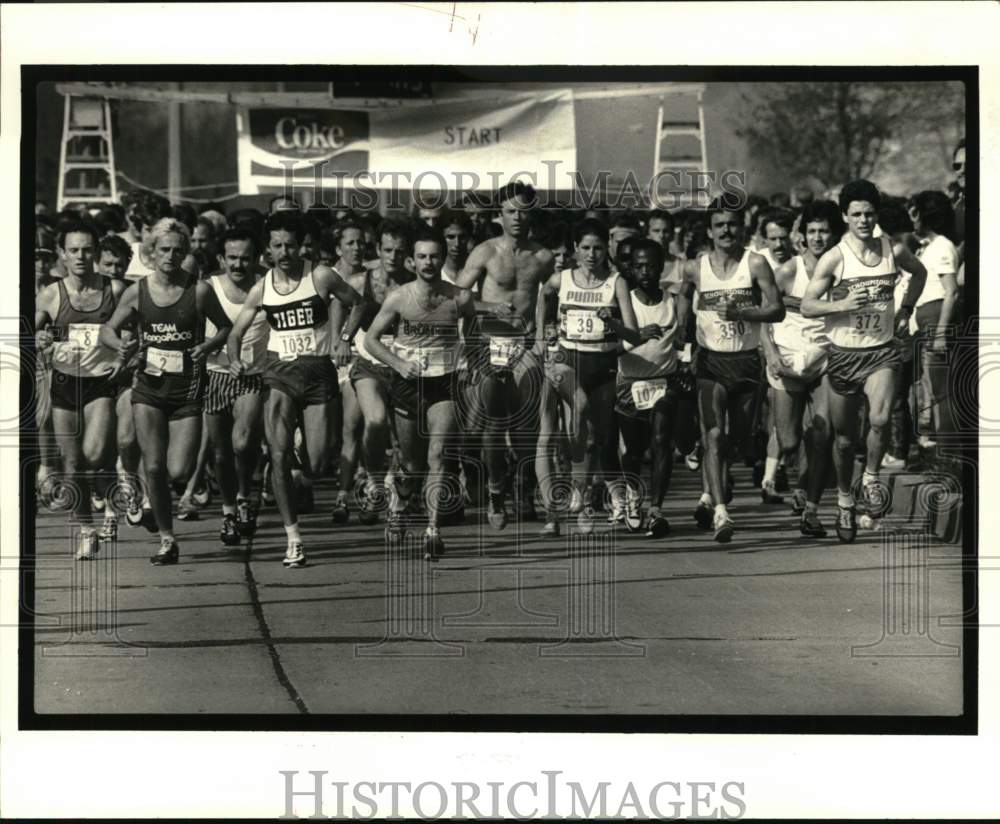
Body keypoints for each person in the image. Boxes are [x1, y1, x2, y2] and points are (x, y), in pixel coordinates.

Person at [226, 211, 361, 568]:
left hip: (317, 372)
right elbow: (236, 333)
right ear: (267, 251)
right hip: (279, 374)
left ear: (301, 245)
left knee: (317, 464)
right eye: (276, 246)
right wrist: (235, 359)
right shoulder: (262, 287)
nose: (284, 253)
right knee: (279, 454)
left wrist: (343, 337)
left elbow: (357, 302)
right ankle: (294, 538)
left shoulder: (319, 276)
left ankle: (298, 449)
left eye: (289, 245)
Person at [100, 218, 234, 565]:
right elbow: (108, 330)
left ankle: (159, 505)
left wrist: (206, 347)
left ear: (185, 253)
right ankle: (166, 538)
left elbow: (225, 328)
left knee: (177, 470)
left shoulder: (199, 290)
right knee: (155, 466)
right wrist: (123, 349)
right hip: (148, 388)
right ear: (150, 253)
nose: (171, 256)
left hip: (187, 390)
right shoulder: (137, 291)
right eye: (164, 250)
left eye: (177, 250)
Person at [801, 179, 927, 542]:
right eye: (856, 214)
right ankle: (843, 500)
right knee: (843, 440)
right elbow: (809, 305)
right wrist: (841, 304)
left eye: (869, 213)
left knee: (880, 417)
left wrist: (905, 309)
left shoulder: (893, 250)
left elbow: (918, 274)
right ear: (845, 216)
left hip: (882, 350)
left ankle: (870, 478)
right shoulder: (835, 257)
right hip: (843, 355)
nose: (864, 220)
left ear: (877, 214)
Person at [365, 227, 477, 559]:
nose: (428, 263)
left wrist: (469, 357)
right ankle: (398, 504)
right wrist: (397, 364)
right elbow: (371, 340)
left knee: (438, 455)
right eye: (422, 257)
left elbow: (472, 329)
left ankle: (433, 530)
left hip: (443, 381)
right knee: (412, 464)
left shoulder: (460, 297)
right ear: (412, 261)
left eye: (434, 256)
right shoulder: (399, 297)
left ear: (443, 259)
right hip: (407, 383)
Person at [680, 198, 786, 542]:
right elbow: (684, 301)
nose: (726, 230)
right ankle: (721, 512)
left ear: (742, 228)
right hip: (711, 362)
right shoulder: (695, 268)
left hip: (746, 362)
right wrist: (683, 342)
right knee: (713, 435)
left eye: (732, 224)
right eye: (720, 225)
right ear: (710, 230)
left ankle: (717, 481)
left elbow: (777, 310)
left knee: (735, 440)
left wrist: (744, 314)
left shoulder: (755, 264)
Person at [456, 182, 555, 529]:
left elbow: (551, 298)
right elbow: (457, 297)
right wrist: (489, 306)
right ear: (499, 215)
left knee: (528, 424)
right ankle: (496, 490)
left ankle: (524, 487)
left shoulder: (544, 256)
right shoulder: (484, 252)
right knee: (493, 425)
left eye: (523, 210)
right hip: (488, 344)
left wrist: (545, 333)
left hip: (526, 344)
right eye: (511, 211)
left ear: (532, 213)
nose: (517, 217)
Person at [536, 218, 640, 535]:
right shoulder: (562, 278)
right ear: (575, 250)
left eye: (598, 248)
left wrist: (614, 323)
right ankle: (565, 496)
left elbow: (634, 335)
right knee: (577, 409)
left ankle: (579, 492)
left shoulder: (616, 282)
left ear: (606, 249)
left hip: (604, 363)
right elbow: (543, 297)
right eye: (585, 248)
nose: (592, 254)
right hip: (568, 359)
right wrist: (541, 334)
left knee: (594, 438)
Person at [35, 220, 127, 558]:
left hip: (100, 382)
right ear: (61, 253)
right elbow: (29, 334)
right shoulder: (50, 294)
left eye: (87, 250)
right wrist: (42, 339)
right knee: (72, 465)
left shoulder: (114, 291)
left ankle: (108, 494)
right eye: (73, 250)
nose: (80, 256)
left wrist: (126, 351)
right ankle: (87, 530)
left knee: (92, 456)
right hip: (64, 383)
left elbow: (139, 326)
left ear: (96, 252)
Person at [761, 200, 844, 537]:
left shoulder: (841, 270)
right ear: (803, 235)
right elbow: (762, 319)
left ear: (834, 233)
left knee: (822, 434)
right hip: (787, 362)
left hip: (824, 360)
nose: (818, 237)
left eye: (824, 231)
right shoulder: (787, 273)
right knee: (790, 440)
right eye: (812, 231)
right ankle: (798, 473)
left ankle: (810, 509)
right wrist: (771, 356)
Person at [615, 239, 690, 537]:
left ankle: (656, 509)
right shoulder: (624, 302)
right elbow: (611, 347)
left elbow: (684, 340)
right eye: (639, 266)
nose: (645, 271)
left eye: (651, 265)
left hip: (665, 381)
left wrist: (685, 365)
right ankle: (634, 493)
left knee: (661, 440)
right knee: (634, 450)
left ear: (661, 268)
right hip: (630, 384)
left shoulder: (672, 301)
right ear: (631, 269)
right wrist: (634, 338)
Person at [202, 227, 269, 546]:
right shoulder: (207, 288)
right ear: (221, 259)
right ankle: (228, 510)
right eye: (232, 258)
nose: (239, 265)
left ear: (256, 259)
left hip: (251, 377)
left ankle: (244, 498)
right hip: (214, 375)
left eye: (245, 258)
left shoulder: (267, 287)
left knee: (242, 443)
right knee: (221, 453)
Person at [348, 219, 415, 524]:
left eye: (399, 251)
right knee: (374, 421)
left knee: (407, 443)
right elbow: (339, 305)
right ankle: (373, 482)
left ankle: (397, 486)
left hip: (404, 364)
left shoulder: (415, 284)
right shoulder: (360, 282)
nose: (392, 257)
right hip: (368, 361)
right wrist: (340, 338)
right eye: (387, 250)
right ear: (377, 249)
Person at [910, 190, 960, 450]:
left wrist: (941, 332)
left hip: (936, 319)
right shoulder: (928, 247)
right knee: (934, 389)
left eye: (916, 212)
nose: (912, 218)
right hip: (926, 320)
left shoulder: (941, 246)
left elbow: (951, 290)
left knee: (942, 392)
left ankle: (948, 451)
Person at [329, 220, 370, 524]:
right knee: (343, 430)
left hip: (363, 355)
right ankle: (344, 491)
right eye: (351, 243)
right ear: (338, 247)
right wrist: (336, 343)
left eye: (361, 243)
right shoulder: (327, 277)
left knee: (361, 423)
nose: (357, 248)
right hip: (333, 356)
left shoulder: (370, 277)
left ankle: (361, 489)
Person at [124, 192, 171, 281]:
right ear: (139, 229)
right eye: (149, 230)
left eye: (159, 230)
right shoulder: (125, 257)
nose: (154, 237)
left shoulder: (178, 260)